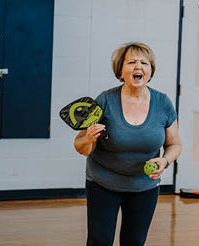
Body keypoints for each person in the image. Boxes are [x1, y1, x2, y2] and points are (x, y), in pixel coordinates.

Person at [74, 42, 182, 246]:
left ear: (150, 72)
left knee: (134, 241)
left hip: (144, 185)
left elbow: (175, 145)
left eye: (144, 63)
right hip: (103, 182)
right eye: (131, 62)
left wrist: (165, 161)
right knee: (100, 240)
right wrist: (88, 138)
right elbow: (80, 146)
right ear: (120, 71)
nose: (138, 66)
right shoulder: (104, 101)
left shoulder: (163, 103)